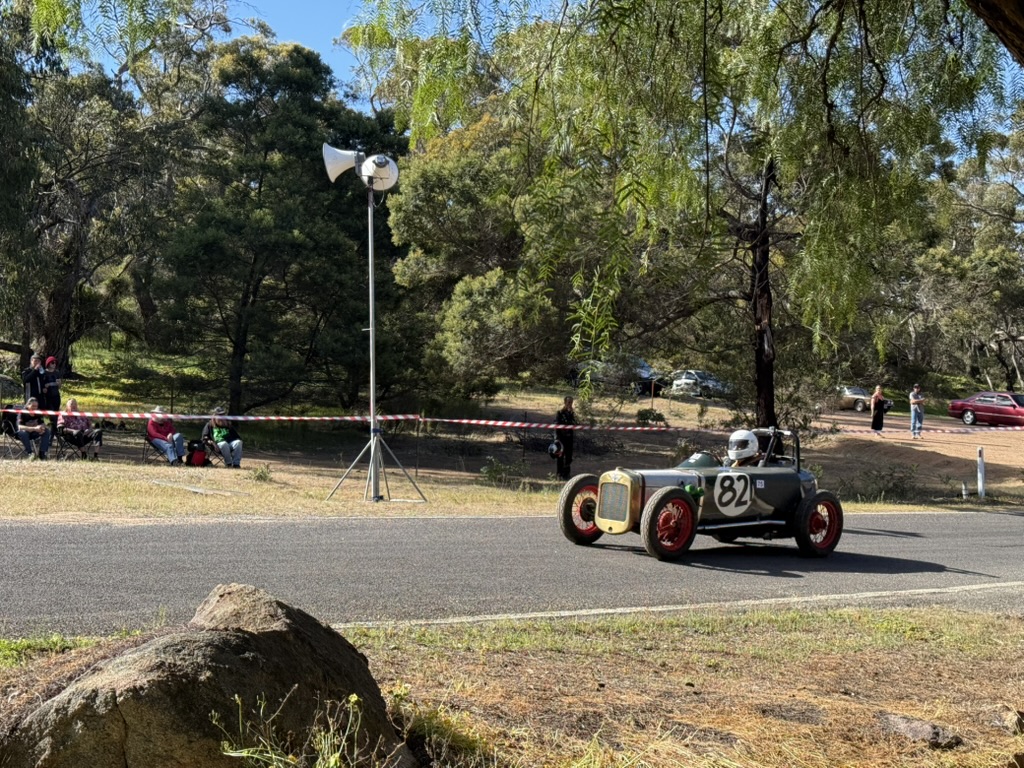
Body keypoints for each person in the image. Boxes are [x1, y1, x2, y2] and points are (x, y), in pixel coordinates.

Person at [554, 395, 577, 480]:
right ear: (565, 402)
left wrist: (572, 414)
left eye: (571, 402)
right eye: (568, 402)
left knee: (569, 457)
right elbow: (557, 425)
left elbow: (575, 423)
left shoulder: (572, 413)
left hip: (569, 438)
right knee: (560, 456)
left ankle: (567, 474)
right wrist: (557, 438)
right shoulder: (560, 413)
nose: (569, 404)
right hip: (561, 438)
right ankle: (559, 474)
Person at [41, 356, 62, 423]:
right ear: (48, 363)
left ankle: (55, 426)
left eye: (55, 363)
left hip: (56, 395)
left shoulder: (57, 372)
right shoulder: (44, 373)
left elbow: (59, 386)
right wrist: (44, 388)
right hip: (48, 396)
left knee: (56, 412)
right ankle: (51, 425)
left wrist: (59, 384)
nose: (54, 364)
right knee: (51, 413)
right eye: (52, 363)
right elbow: (42, 384)